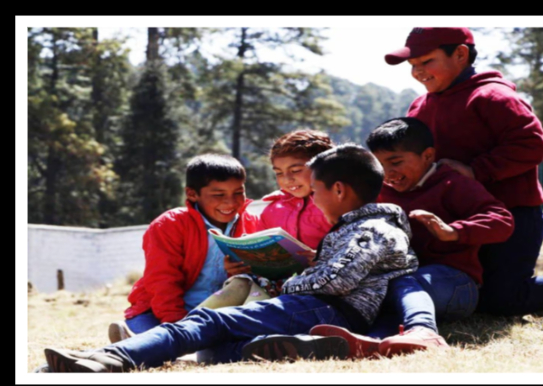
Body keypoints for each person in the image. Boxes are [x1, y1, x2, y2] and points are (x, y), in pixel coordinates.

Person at [42, 144, 419, 372]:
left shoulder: (371, 229)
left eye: (316, 189)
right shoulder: (359, 227)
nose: (313, 198)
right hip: (317, 309)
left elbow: (335, 282)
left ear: (338, 189)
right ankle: (296, 346)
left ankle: (103, 360)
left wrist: (289, 279)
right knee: (220, 342)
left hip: (321, 308)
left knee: (207, 321)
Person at [272, 117, 515, 357]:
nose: (388, 173)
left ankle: (424, 331)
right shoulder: (378, 192)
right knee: (376, 291)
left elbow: (502, 220)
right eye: (380, 165)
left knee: (401, 282)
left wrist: (453, 231)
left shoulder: (453, 184)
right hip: (396, 281)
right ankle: (373, 343)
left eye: (396, 162)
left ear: (428, 155)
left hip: (455, 284)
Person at [383, 27, 543, 316]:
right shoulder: (419, 106)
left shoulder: (493, 96)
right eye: (413, 66)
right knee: (471, 295)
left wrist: (476, 170)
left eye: (426, 62)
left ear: (460, 54)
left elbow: (530, 145)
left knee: (501, 301)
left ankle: (533, 294)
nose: (418, 72)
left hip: (511, 215)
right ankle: (530, 295)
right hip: (455, 221)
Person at [107, 154, 259, 343]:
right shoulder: (170, 225)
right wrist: (178, 325)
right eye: (219, 195)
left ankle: (161, 344)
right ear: (192, 194)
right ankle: (145, 341)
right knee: (157, 338)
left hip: (221, 312)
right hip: (161, 312)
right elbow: (162, 280)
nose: (231, 202)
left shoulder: (253, 224)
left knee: (231, 340)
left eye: (238, 193)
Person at [198, 130, 334, 309]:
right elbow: (259, 253)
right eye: (278, 173)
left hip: (315, 286)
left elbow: (353, 250)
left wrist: (321, 257)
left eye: (296, 170)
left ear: (324, 167)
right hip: (271, 282)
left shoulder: (336, 203)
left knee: (255, 305)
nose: (287, 179)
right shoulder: (272, 209)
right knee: (239, 284)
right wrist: (239, 265)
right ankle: (187, 327)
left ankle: (242, 328)